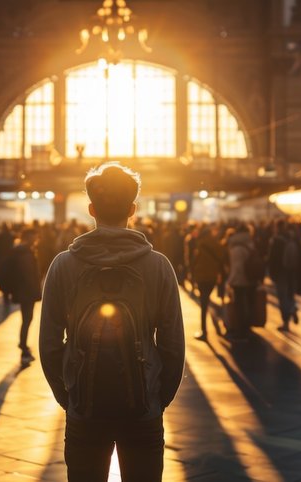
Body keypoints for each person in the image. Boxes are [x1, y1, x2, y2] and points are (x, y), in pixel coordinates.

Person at [39, 162, 185, 482]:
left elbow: (49, 345)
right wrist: (157, 399)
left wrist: (70, 396)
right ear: (133, 208)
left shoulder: (63, 266)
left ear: (91, 209)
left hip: (85, 409)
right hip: (143, 407)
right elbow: (173, 346)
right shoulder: (158, 267)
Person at [2, 228, 41, 365]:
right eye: (35, 236)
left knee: (27, 319)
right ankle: (23, 347)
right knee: (27, 319)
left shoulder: (22, 251)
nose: (37, 239)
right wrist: (36, 291)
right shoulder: (25, 253)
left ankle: (23, 345)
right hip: (27, 292)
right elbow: (29, 275)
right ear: (29, 237)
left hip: (23, 291)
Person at [190, 225, 227, 340]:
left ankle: (204, 331)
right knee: (207, 300)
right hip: (212, 277)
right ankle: (216, 326)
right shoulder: (217, 244)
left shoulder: (200, 244)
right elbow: (222, 259)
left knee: (204, 303)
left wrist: (192, 276)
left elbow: (194, 261)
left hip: (202, 277)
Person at [226, 223, 256, 341]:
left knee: (239, 307)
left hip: (239, 281)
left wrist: (230, 281)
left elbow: (237, 267)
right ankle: (247, 328)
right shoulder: (250, 243)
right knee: (248, 304)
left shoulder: (235, 247)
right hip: (251, 279)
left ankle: (241, 331)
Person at [268, 221, 298, 331]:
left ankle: (286, 321)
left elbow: (272, 259)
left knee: (282, 297)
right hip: (291, 270)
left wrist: (271, 273)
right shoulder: (292, 239)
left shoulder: (276, 241)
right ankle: (292, 307)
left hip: (280, 272)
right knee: (290, 293)